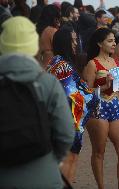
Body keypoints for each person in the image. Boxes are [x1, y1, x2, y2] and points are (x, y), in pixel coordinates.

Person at [0, 16, 74, 189]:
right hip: (44, 178)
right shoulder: (47, 83)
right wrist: (48, 160)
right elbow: (66, 134)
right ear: (34, 44)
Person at [47, 25, 99, 183]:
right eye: (73, 40)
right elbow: (73, 96)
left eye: (77, 40)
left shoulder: (57, 63)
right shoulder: (63, 67)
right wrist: (95, 96)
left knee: (67, 164)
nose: (76, 43)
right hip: (66, 125)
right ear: (65, 42)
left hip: (61, 122)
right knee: (68, 164)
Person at [83, 27, 119, 189]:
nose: (114, 43)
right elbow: (86, 93)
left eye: (114, 40)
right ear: (99, 43)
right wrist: (104, 86)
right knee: (99, 151)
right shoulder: (92, 64)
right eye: (110, 41)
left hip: (115, 105)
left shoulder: (115, 62)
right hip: (98, 108)